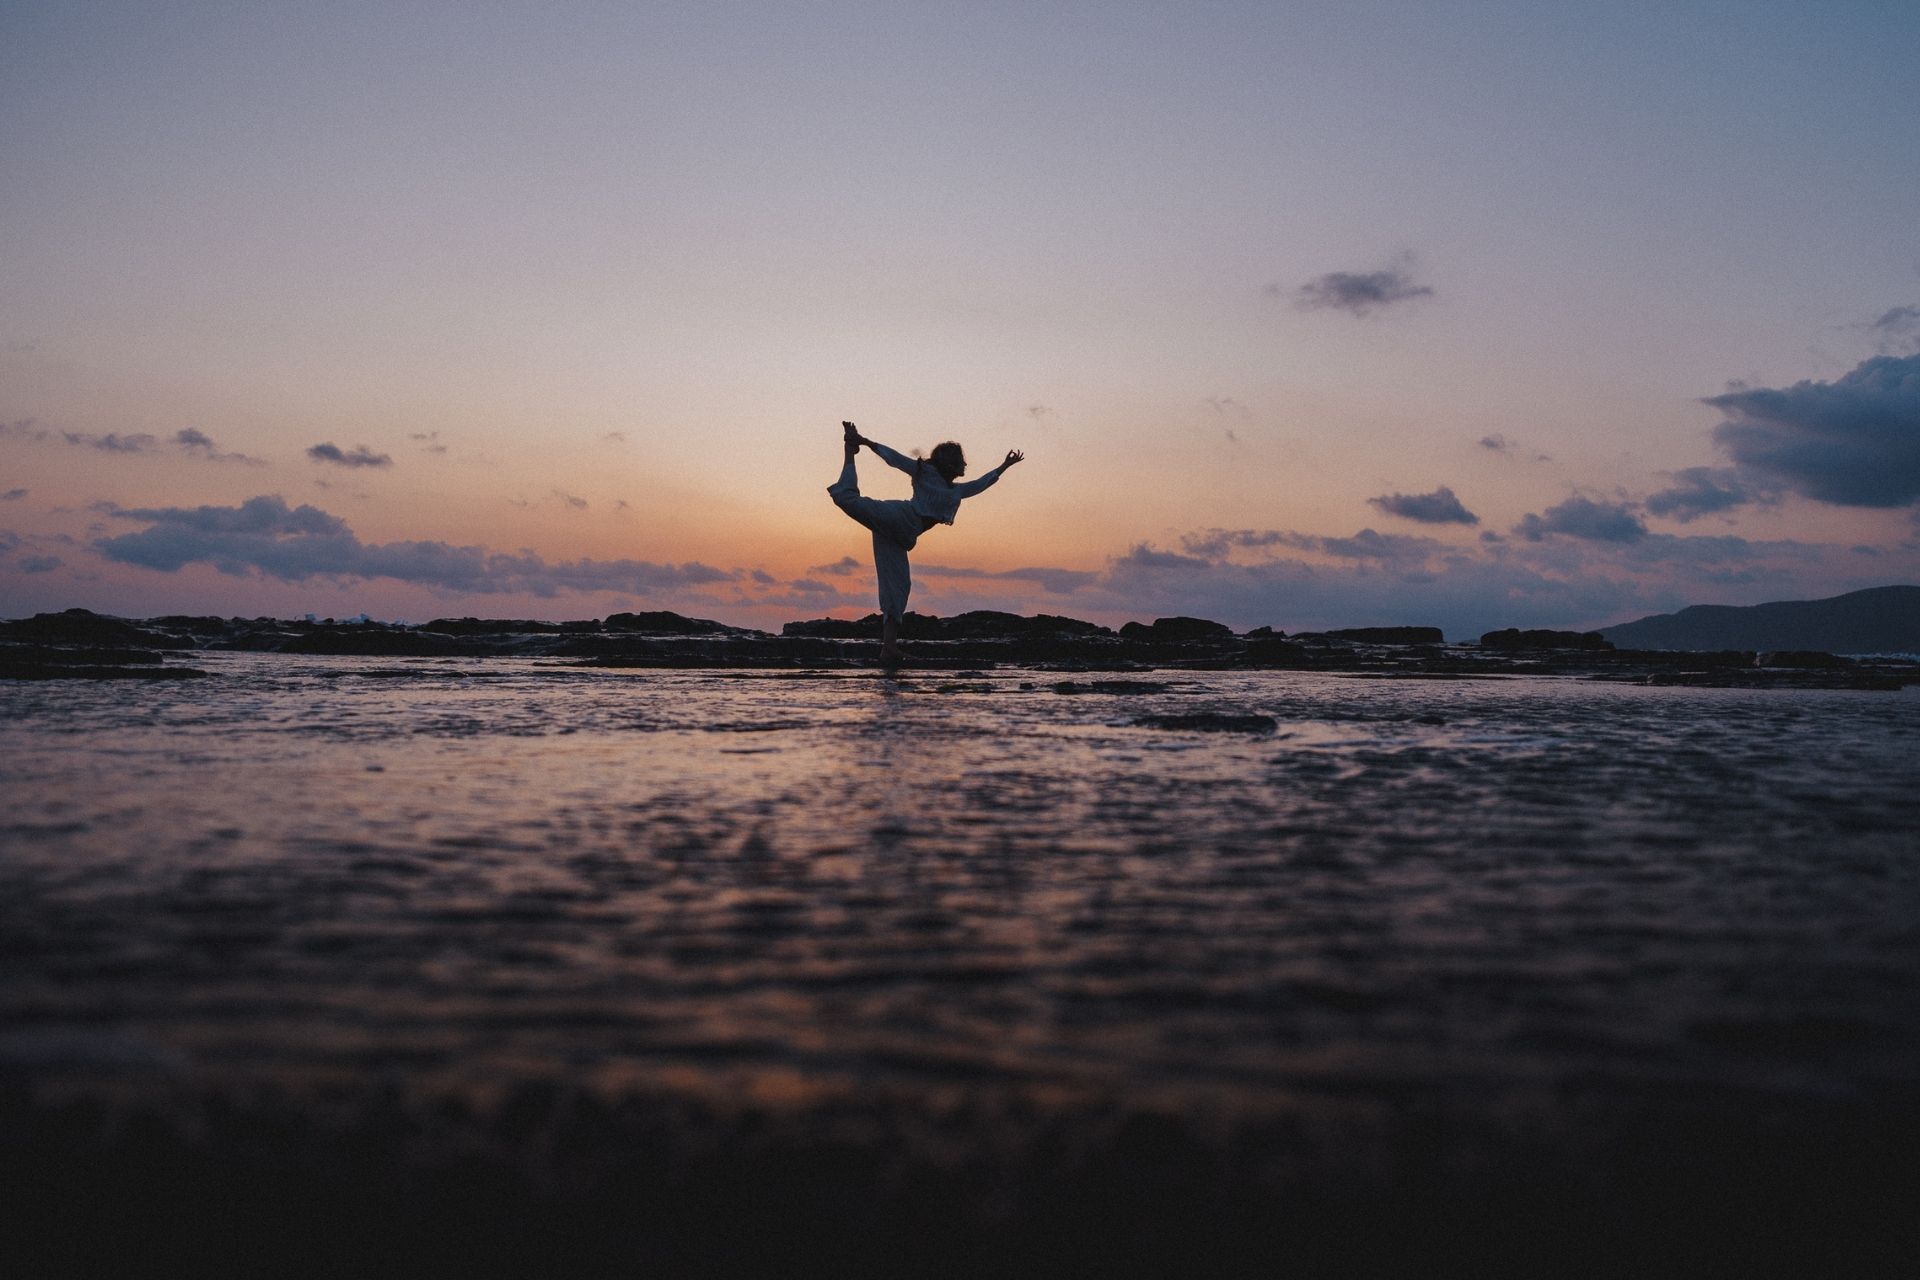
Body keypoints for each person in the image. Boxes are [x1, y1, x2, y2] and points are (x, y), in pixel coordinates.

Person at [828, 420, 1024, 663]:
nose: (963, 464)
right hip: (900, 517)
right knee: (847, 499)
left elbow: (981, 484)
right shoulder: (924, 472)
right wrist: (865, 442)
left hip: (901, 535)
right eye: (959, 460)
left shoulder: (956, 491)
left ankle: (888, 648)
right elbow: (896, 459)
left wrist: (1005, 465)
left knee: (898, 587)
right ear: (949, 462)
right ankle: (850, 452)